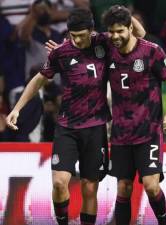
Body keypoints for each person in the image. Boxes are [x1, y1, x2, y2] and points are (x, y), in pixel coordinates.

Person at [6, 8, 110, 225]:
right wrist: (17, 108)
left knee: (90, 187)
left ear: (91, 31)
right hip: (67, 127)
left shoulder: (105, 44)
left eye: (82, 36)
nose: (78, 40)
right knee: (60, 183)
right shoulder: (61, 52)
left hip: (96, 127)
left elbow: (138, 36)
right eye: (73, 36)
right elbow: (38, 80)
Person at [102, 5, 166, 225]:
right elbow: (83, 42)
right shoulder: (108, 49)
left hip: (149, 131)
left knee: (151, 185)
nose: (115, 36)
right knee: (123, 188)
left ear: (130, 27)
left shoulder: (151, 51)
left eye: (120, 31)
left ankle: (163, 222)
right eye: (111, 32)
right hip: (121, 133)